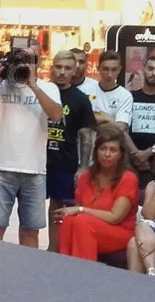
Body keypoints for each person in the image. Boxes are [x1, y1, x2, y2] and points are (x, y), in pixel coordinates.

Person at [0, 47, 63, 248]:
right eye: (19, 61)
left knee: (31, 231)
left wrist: (33, 85)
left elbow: (57, 115)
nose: (24, 65)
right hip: (1, 167)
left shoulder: (49, 88)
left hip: (35, 170)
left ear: (37, 63)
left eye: (29, 60)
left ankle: (28, 268)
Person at [53, 125, 138, 261]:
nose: (107, 154)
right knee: (68, 221)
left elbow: (115, 217)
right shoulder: (85, 177)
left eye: (113, 150)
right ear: (96, 151)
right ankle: (65, 267)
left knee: (82, 221)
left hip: (119, 231)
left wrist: (81, 209)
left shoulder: (128, 178)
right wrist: (70, 212)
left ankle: (85, 270)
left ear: (121, 154)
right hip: (88, 228)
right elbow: (77, 213)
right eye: (103, 148)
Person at [45, 50, 96, 252]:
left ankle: (55, 249)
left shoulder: (80, 99)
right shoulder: (41, 91)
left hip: (64, 162)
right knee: (29, 206)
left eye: (67, 68)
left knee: (58, 207)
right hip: (36, 160)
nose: (62, 72)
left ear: (74, 71)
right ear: (52, 68)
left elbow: (87, 135)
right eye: (58, 67)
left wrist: (83, 166)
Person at [125, 55, 155, 189]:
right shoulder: (129, 97)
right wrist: (136, 154)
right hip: (131, 161)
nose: (153, 73)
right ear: (143, 70)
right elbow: (122, 128)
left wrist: (148, 152)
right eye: (150, 68)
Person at [91, 50, 133, 131]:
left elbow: (120, 128)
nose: (109, 74)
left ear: (119, 70)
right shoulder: (86, 90)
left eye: (114, 70)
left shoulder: (125, 95)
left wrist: (94, 121)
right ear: (98, 68)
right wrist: (108, 119)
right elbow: (81, 120)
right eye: (105, 69)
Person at [126, 181, 155, 275]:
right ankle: (151, 271)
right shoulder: (152, 185)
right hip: (151, 232)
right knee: (134, 243)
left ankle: (151, 273)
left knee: (135, 243)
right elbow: (148, 215)